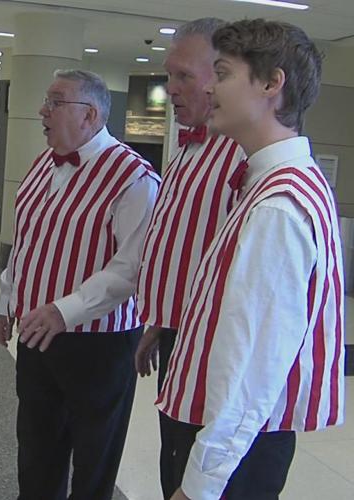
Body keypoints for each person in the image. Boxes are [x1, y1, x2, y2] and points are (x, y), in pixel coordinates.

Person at [157, 20, 345, 500]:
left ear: (271, 84)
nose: (210, 88)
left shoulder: (279, 204)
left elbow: (254, 366)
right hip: (232, 440)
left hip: (237, 450)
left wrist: (200, 482)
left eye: (222, 73)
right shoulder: (273, 182)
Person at [0, 69, 159, 500]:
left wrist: (64, 310)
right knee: (36, 441)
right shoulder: (41, 164)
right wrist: (5, 300)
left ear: (89, 115)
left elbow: (131, 266)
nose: (41, 110)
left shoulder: (133, 177)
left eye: (54, 101)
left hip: (98, 343)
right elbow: (26, 241)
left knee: (94, 453)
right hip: (36, 335)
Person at [133, 17, 246, 499]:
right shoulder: (188, 147)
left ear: (221, 75)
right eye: (168, 75)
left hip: (218, 350)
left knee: (200, 475)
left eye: (183, 76)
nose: (170, 88)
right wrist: (160, 318)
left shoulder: (244, 156)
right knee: (173, 462)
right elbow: (181, 242)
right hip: (180, 335)